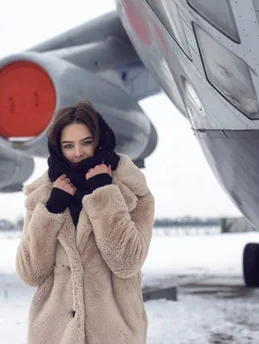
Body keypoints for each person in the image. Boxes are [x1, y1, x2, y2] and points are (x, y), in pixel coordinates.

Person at [16, 100, 155, 344]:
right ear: (58, 148)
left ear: (99, 140)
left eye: (86, 143)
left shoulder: (132, 192)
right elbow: (31, 274)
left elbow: (127, 262)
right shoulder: (43, 196)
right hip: (54, 335)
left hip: (114, 335)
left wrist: (104, 192)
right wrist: (52, 209)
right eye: (68, 145)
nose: (77, 153)